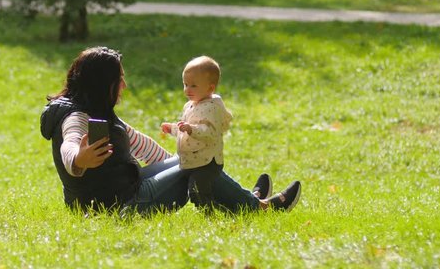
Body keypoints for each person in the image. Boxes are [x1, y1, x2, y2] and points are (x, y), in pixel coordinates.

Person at [40, 46, 301, 214]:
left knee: (190, 163)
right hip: (119, 207)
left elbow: (138, 142)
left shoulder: (93, 108)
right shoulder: (75, 117)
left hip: (120, 193)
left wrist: (175, 168)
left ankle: (243, 199)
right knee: (195, 166)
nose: (124, 86)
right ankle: (261, 207)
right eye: (118, 80)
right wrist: (78, 159)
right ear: (101, 84)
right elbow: (70, 144)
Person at [161, 56, 232, 209]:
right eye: (185, 84)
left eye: (193, 85)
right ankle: (220, 207)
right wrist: (173, 128)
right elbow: (185, 129)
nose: (187, 90)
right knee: (197, 188)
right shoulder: (191, 105)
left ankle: (209, 212)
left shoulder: (212, 108)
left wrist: (191, 129)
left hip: (208, 160)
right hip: (194, 158)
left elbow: (210, 132)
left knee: (198, 189)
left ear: (210, 88)